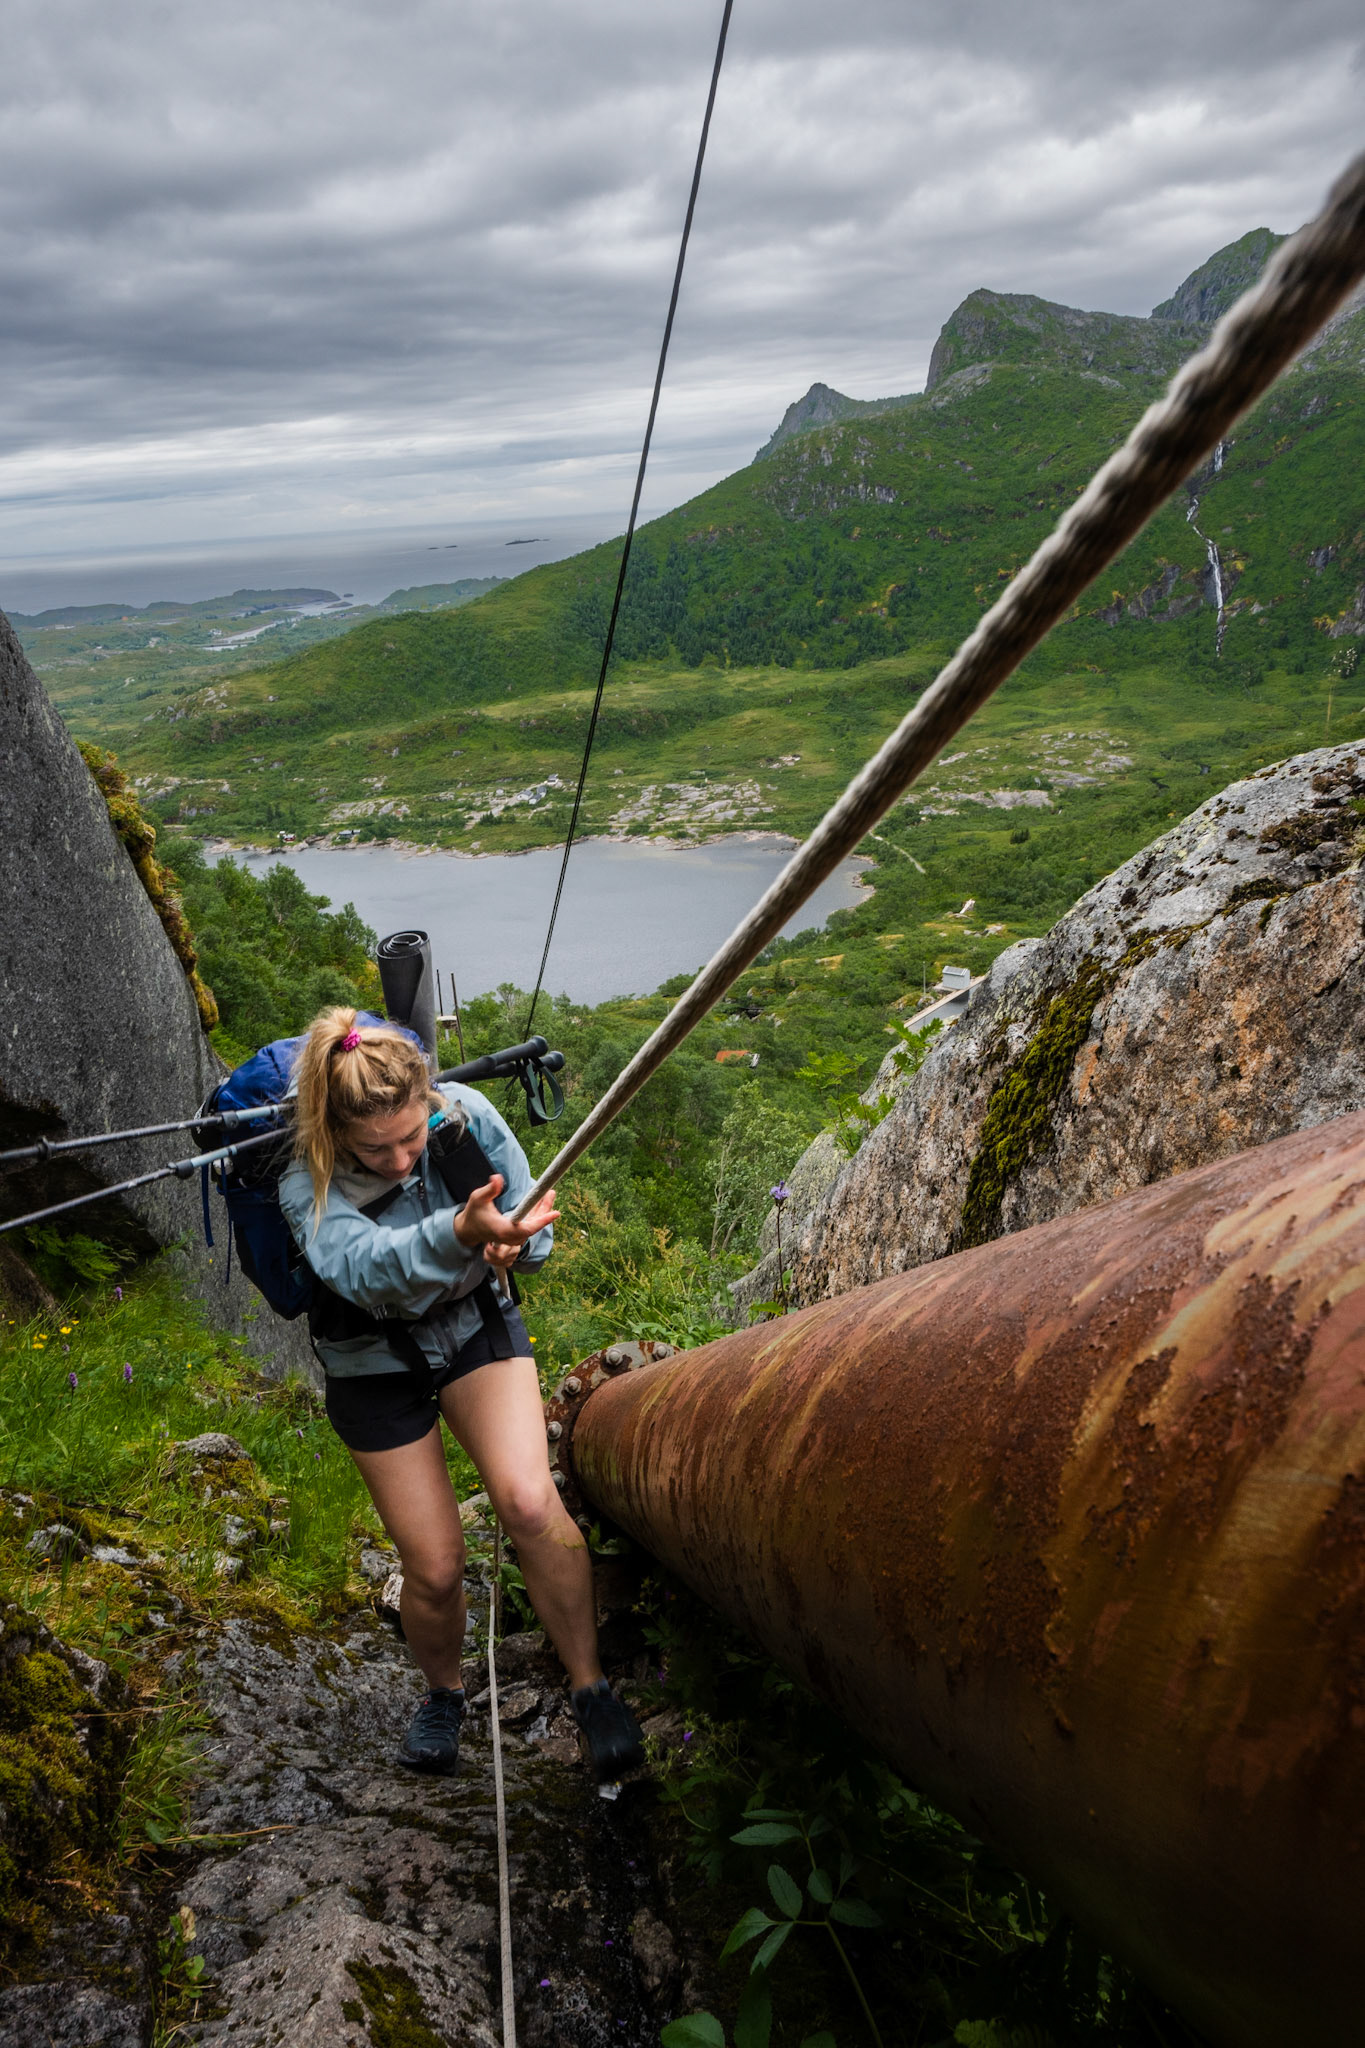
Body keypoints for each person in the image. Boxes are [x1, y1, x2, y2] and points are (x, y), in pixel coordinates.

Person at [278, 1006, 644, 1782]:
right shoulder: (304, 1175)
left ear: (429, 1100)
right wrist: (457, 1232)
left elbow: (533, 1228)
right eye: (376, 1147)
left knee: (528, 1503)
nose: (402, 1158)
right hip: (372, 1363)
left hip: (474, 1326)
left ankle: (590, 1685)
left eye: (412, 1136)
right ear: (335, 1130)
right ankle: (443, 1695)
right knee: (436, 1565)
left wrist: (515, 1239)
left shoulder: (463, 1116)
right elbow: (361, 1269)